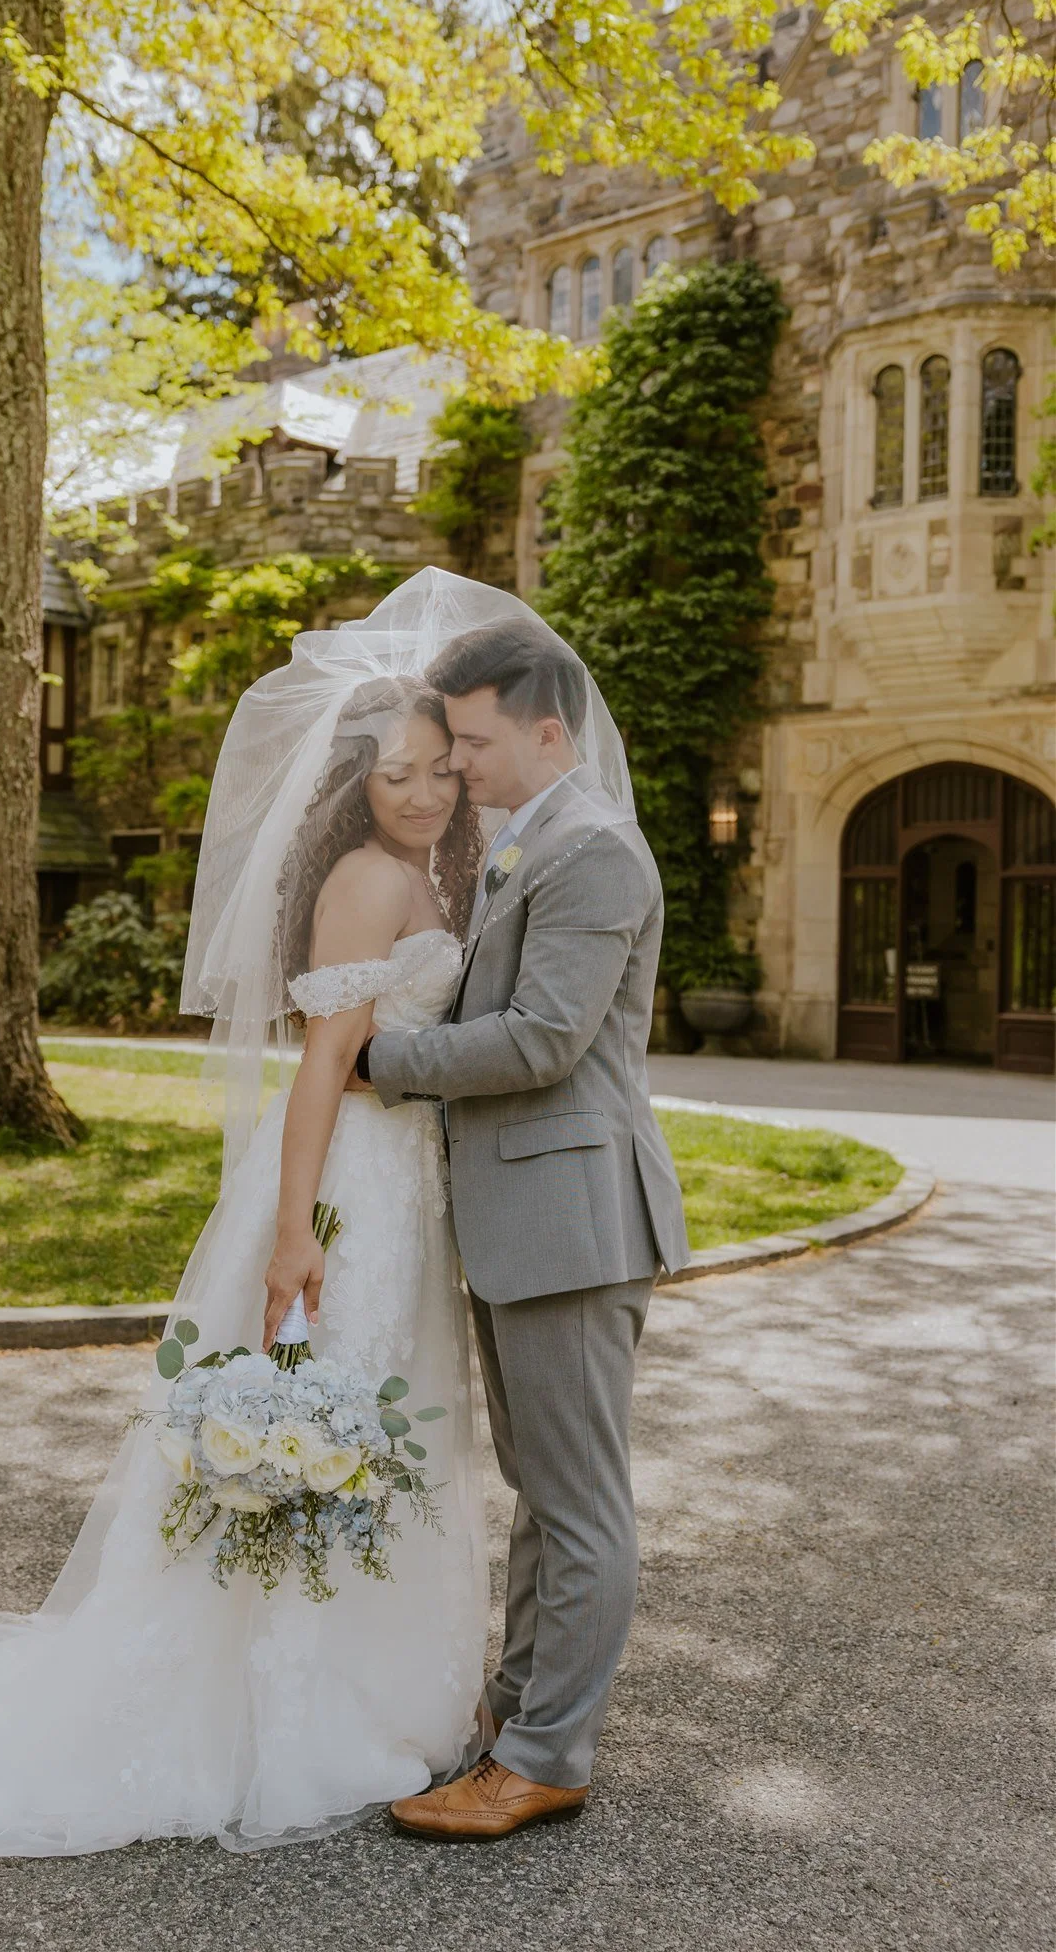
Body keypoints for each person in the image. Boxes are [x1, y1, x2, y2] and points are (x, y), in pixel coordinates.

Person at [0, 595, 496, 1871]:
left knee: (398, 1417)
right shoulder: (365, 879)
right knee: (338, 1408)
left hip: (410, 1177)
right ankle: (288, 1697)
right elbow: (324, 1068)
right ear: (358, 779)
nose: (429, 790)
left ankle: (380, 1675)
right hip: (352, 1192)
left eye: (443, 767)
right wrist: (294, 1230)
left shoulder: (431, 869)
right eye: (401, 772)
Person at [352, 617, 692, 1842]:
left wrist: (376, 1057)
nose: (462, 767)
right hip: (528, 1213)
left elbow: (544, 1037)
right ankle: (522, 1715)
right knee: (544, 1489)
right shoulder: (530, 839)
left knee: (579, 1498)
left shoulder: (593, 850)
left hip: (572, 1214)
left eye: (480, 741)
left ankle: (547, 1754)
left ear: (552, 730)